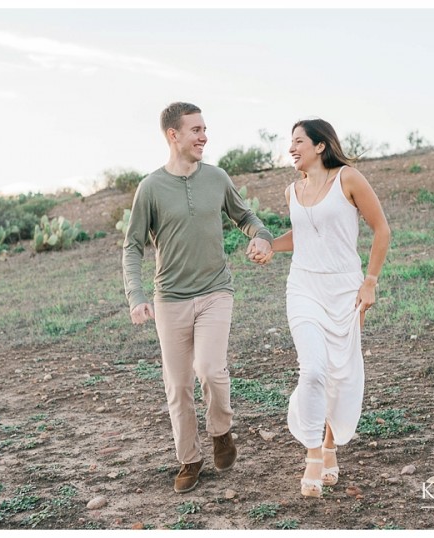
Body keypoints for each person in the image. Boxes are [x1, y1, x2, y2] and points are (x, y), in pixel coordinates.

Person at [122, 101, 273, 494]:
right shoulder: (151, 187)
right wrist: (136, 295)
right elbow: (132, 245)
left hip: (214, 291)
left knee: (210, 369)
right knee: (178, 386)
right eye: (196, 130)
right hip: (169, 299)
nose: (204, 136)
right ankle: (189, 459)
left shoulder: (217, 177)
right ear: (174, 135)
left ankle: (221, 431)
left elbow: (246, 217)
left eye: (205, 129)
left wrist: (259, 235)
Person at [253, 118, 390, 497]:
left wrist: (370, 282)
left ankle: (330, 445)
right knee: (313, 369)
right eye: (290, 142)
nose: (292, 148)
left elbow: (382, 229)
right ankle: (314, 452)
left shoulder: (348, 179)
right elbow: (303, 236)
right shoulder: (291, 190)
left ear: (319, 146)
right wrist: (268, 245)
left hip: (345, 289)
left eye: (299, 141)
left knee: (340, 374)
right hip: (303, 287)